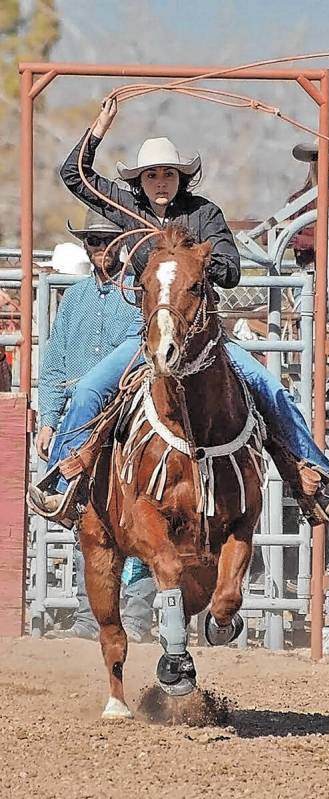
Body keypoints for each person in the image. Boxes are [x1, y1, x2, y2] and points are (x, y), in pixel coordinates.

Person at [28, 97, 329, 527]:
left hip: (203, 340)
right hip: (142, 336)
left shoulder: (203, 214)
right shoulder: (126, 209)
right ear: (139, 180)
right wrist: (98, 129)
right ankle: (62, 483)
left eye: (168, 173)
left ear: (180, 178)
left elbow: (231, 271)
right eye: (151, 174)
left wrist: (202, 263)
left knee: (270, 388)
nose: (160, 181)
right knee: (89, 390)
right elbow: (75, 175)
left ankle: (312, 479)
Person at [38, 209, 156, 642]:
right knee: (88, 520)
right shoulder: (75, 299)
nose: (99, 248)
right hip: (83, 417)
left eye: (107, 240)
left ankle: (137, 618)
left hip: (128, 411)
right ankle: (94, 618)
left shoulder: (136, 295)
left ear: (123, 245)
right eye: (92, 240)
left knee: (142, 513)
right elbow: (53, 366)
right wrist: (50, 419)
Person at [287, 131, 329, 268]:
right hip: (309, 277)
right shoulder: (299, 200)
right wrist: (318, 242)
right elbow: (277, 234)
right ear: (316, 161)